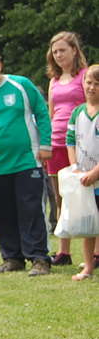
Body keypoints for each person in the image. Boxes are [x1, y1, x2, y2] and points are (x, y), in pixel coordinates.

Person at [0, 46, 52, 276]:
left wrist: (45, 144)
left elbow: (42, 112)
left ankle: (39, 258)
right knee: (2, 214)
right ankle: (12, 257)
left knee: (31, 210)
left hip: (27, 160)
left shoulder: (21, 85)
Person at [45, 31, 88, 266]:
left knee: (89, 197)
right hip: (56, 144)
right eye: (55, 51)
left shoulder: (86, 76)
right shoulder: (53, 81)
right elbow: (51, 114)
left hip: (81, 143)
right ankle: (64, 252)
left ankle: (95, 253)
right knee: (61, 197)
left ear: (74, 50)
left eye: (62, 50)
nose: (58, 55)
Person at [66, 64, 99, 281]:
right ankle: (88, 267)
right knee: (89, 227)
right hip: (84, 180)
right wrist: (75, 168)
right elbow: (70, 141)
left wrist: (96, 172)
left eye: (97, 84)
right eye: (89, 82)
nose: (92, 87)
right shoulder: (77, 113)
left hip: (95, 176)